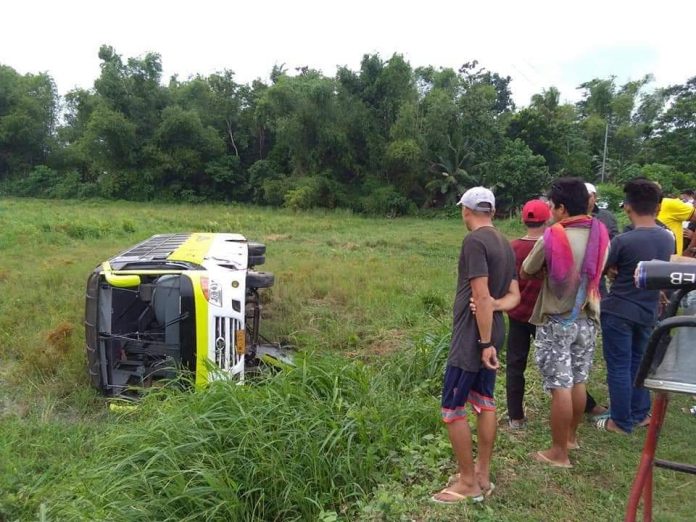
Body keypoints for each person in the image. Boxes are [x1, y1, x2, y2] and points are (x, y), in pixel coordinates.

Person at [432, 187, 520, 504]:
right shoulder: (505, 244)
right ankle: (482, 473)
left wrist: (483, 343)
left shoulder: (474, 242)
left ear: (466, 211)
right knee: (484, 400)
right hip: (495, 330)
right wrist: (494, 310)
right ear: (492, 212)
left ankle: (468, 483)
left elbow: (480, 296)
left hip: (474, 337)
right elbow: (514, 297)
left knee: (452, 409)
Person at [522, 177, 609, 468]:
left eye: (553, 206)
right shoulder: (601, 232)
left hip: (558, 319)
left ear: (561, 208)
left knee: (560, 384)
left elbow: (528, 268)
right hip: (588, 318)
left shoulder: (553, 235)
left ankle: (559, 453)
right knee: (579, 379)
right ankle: (571, 438)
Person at [596, 179, 674, 434]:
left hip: (619, 309)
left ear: (628, 207)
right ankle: (640, 414)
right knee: (638, 363)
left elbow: (604, 268)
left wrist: (613, 270)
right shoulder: (668, 238)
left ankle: (619, 420)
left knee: (618, 366)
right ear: (657, 208)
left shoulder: (623, 240)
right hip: (648, 310)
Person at [504, 199, 550, 429]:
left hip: (516, 313)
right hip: (543, 315)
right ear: (548, 218)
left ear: (523, 220)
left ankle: (515, 416)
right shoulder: (551, 246)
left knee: (515, 364)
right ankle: (580, 404)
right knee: (555, 363)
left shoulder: (512, 247)